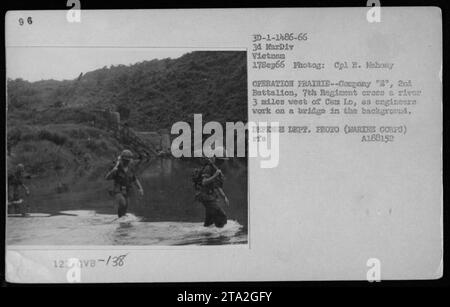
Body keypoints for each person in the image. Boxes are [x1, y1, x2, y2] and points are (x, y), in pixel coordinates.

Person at [105, 149, 144, 218]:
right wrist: (113, 171)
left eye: (128, 160)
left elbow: (134, 179)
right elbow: (107, 178)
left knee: (125, 206)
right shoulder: (116, 167)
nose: (127, 162)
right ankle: (120, 218)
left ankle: (122, 219)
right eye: (126, 160)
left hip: (127, 190)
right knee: (122, 203)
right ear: (122, 159)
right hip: (117, 190)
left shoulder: (131, 168)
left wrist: (140, 188)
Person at [194, 156, 229, 228]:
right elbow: (204, 182)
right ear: (217, 159)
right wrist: (215, 175)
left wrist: (224, 197)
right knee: (221, 216)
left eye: (223, 161)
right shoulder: (208, 168)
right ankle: (221, 237)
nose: (222, 162)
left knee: (209, 221)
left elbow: (217, 186)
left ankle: (206, 234)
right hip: (205, 195)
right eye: (221, 160)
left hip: (210, 196)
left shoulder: (215, 169)